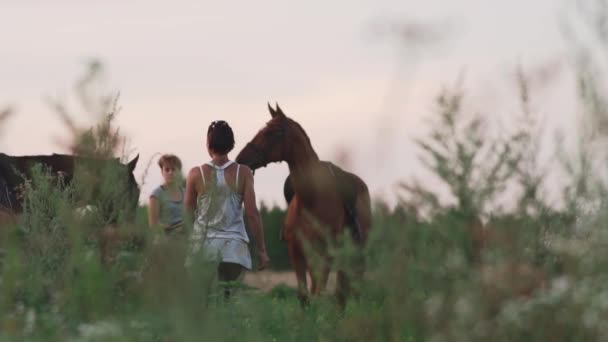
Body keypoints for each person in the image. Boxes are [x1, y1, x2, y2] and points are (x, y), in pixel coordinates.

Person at [184, 120, 269, 299]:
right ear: (231, 144)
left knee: (202, 302)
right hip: (233, 251)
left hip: (202, 249)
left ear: (208, 144)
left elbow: (187, 215)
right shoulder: (244, 173)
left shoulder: (195, 174)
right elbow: (252, 214)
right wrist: (261, 250)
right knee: (227, 301)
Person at [148, 154, 185, 234]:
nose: (170, 172)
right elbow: (153, 225)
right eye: (167, 170)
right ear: (162, 172)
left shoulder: (185, 192)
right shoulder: (156, 195)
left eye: (173, 169)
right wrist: (174, 228)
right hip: (165, 241)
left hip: (186, 239)